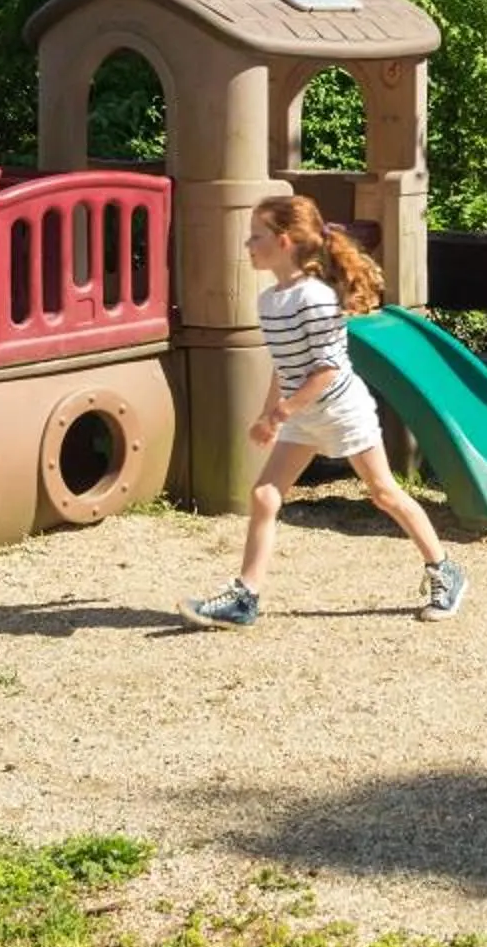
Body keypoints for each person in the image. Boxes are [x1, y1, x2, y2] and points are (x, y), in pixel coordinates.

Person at [180, 194, 467, 629]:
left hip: (341, 411)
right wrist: (268, 414)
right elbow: (285, 364)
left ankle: (444, 569)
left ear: (283, 241)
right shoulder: (270, 300)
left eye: (256, 237)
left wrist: (281, 413)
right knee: (263, 497)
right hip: (303, 414)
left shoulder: (314, 298)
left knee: (383, 494)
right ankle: (246, 597)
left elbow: (328, 369)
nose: (248, 245)